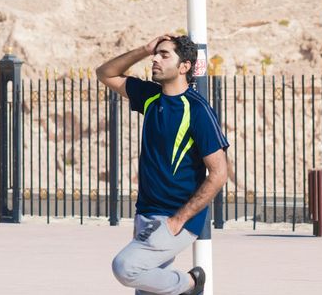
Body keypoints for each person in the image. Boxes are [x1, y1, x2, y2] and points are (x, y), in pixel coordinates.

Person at [96, 34, 229, 295]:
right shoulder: (150, 97)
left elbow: (219, 173)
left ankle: (191, 283)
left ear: (184, 67)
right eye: (156, 54)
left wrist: (179, 219)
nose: (155, 59)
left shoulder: (197, 110)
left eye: (164, 54)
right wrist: (144, 49)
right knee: (148, 288)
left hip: (175, 218)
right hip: (145, 212)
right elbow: (105, 73)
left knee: (125, 268)